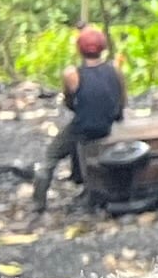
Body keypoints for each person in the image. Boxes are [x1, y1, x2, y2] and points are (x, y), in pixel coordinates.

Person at [30, 27, 129, 214]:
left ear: (79, 49)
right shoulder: (115, 70)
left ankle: (38, 203)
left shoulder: (72, 74)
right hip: (108, 123)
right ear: (103, 47)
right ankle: (83, 185)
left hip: (85, 126)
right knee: (82, 145)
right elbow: (121, 99)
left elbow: (70, 101)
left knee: (51, 155)